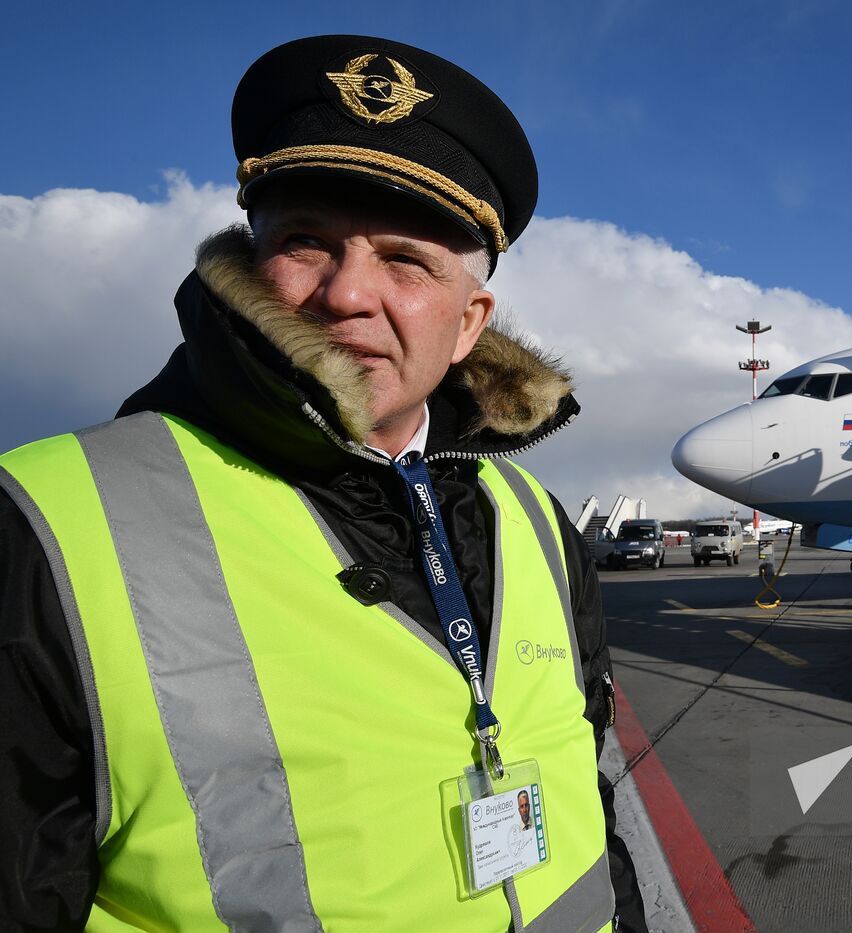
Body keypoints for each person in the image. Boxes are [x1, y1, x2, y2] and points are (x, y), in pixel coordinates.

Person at [0, 35, 647, 931]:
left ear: (469, 324)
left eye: (405, 259)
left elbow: (586, 779)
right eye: (306, 242)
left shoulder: (533, 516)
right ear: (247, 265)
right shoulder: (48, 520)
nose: (347, 295)